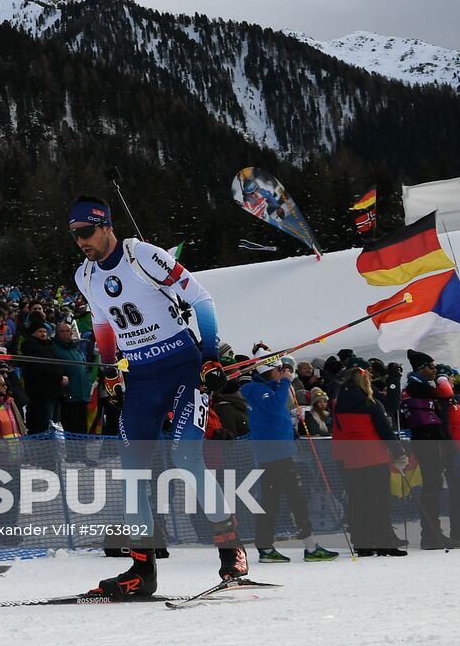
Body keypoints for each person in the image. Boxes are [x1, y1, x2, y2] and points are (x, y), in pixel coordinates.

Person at [68, 195, 247, 598]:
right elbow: (103, 324)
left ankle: (231, 550)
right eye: (75, 235)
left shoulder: (142, 256)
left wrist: (210, 355)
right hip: (142, 377)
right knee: (132, 471)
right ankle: (141, 570)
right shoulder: (86, 277)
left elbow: (201, 298)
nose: (81, 241)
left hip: (183, 368)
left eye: (86, 232)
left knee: (186, 457)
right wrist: (110, 369)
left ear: (106, 225)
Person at [240, 359, 336, 562]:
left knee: (272, 501)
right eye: (278, 370)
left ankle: (266, 548)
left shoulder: (262, 388)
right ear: (269, 371)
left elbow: (274, 403)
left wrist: (282, 379)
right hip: (277, 456)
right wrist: (285, 382)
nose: (282, 373)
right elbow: (274, 407)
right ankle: (309, 548)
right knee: (296, 499)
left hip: (275, 454)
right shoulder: (259, 391)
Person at [402, 348, 460, 547]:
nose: (435, 370)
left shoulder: (420, 385)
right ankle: (431, 534)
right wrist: (443, 379)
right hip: (428, 442)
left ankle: (434, 533)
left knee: (435, 488)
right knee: (432, 489)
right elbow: (445, 393)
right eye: (431, 367)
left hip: (434, 441)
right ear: (421, 368)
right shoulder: (415, 385)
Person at [332, 363, 408, 556]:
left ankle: (362, 542)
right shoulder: (371, 403)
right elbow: (385, 431)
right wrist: (399, 453)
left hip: (352, 459)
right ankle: (385, 542)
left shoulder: (339, 404)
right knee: (380, 502)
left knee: (359, 502)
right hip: (374, 457)